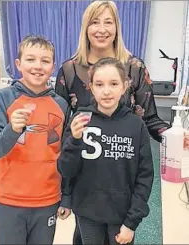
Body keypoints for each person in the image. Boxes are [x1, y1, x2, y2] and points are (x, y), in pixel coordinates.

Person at [54, 1, 168, 244]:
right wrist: (64, 193)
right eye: (95, 22)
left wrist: (175, 136)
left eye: (108, 22)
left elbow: (150, 119)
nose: (101, 29)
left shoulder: (134, 68)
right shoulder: (69, 70)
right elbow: (63, 131)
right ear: (85, 28)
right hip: (86, 187)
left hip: (121, 182)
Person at [58, 57, 154, 245]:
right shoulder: (80, 119)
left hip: (122, 215)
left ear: (124, 86)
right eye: (100, 84)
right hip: (87, 213)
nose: (107, 91)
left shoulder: (136, 125)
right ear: (91, 87)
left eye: (113, 83)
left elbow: (145, 177)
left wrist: (132, 222)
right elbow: (66, 170)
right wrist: (75, 141)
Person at [0, 35, 71, 245]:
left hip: (47, 200)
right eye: (30, 59)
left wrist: (67, 197)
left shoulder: (61, 105)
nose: (38, 66)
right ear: (18, 64)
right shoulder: (4, 98)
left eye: (45, 61)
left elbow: (65, 155)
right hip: (8, 200)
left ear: (53, 67)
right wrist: (12, 130)